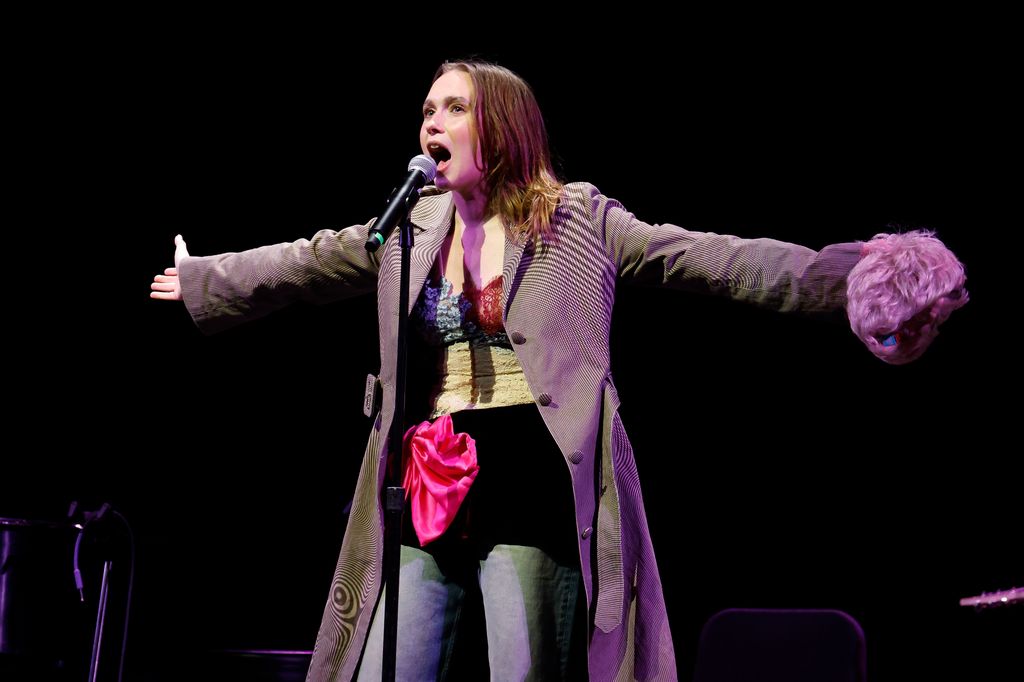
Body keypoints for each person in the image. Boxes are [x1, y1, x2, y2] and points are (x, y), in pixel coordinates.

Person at [151, 60, 967, 681]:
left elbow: (713, 259)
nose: (433, 121)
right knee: (385, 663)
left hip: (535, 475)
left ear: (501, 126)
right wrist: (204, 278)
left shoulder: (576, 218)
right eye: (428, 108)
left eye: (455, 108)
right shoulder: (412, 225)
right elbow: (313, 259)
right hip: (425, 478)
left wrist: (859, 277)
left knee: (527, 666)